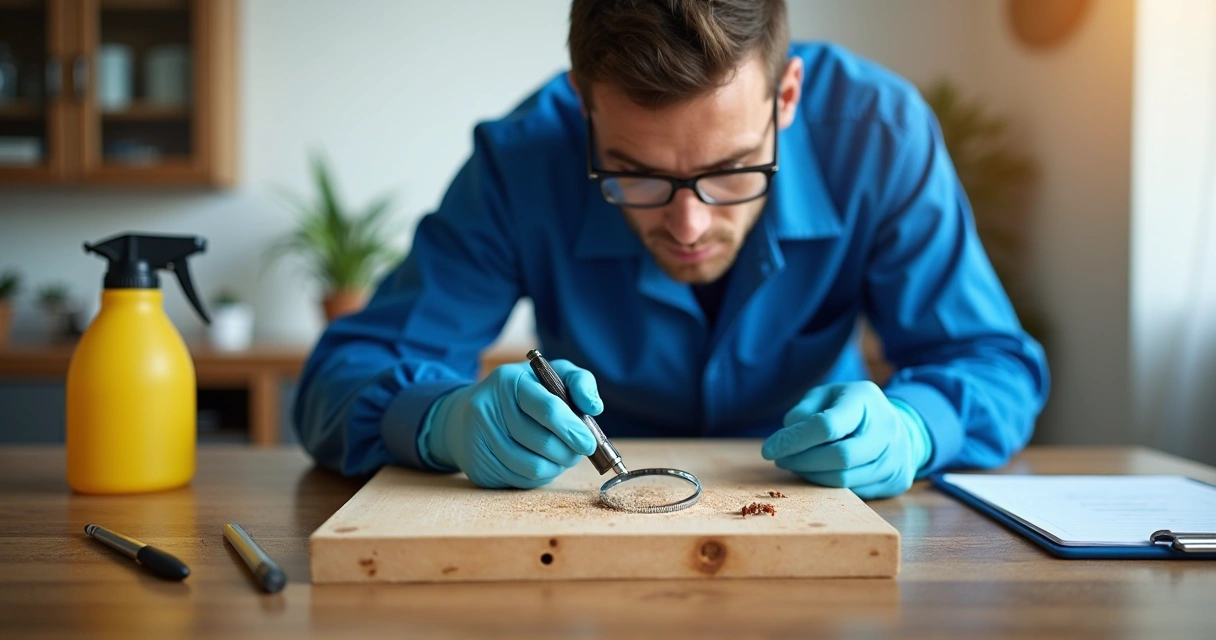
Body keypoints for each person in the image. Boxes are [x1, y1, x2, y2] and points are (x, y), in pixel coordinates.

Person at [294, 0, 1049, 499]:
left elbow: (994, 363)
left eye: (732, 171)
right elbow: (338, 378)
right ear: (585, 107)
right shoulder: (521, 160)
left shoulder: (879, 135)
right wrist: (441, 421)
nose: (688, 226)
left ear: (786, 97)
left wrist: (915, 428)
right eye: (636, 174)